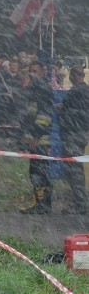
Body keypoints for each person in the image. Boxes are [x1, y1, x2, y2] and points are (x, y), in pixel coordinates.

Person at [19, 60, 54, 214]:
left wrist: (35, 136)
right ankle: (39, 203)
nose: (32, 74)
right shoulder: (34, 89)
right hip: (34, 140)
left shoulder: (43, 89)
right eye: (30, 71)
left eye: (35, 71)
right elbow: (29, 114)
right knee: (34, 173)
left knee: (41, 173)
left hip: (40, 140)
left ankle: (44, 206)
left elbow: (45, 115)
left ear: (42, 72)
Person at [58, 65, 89, 214]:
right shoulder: (86, 91)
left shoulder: (76, 92)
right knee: (75, 168)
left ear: (73, 76)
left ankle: (79, 204)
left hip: (72, 134)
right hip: (81, 133)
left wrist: (62, 111)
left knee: (74, 170)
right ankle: (79, 202)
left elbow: (72, 113)